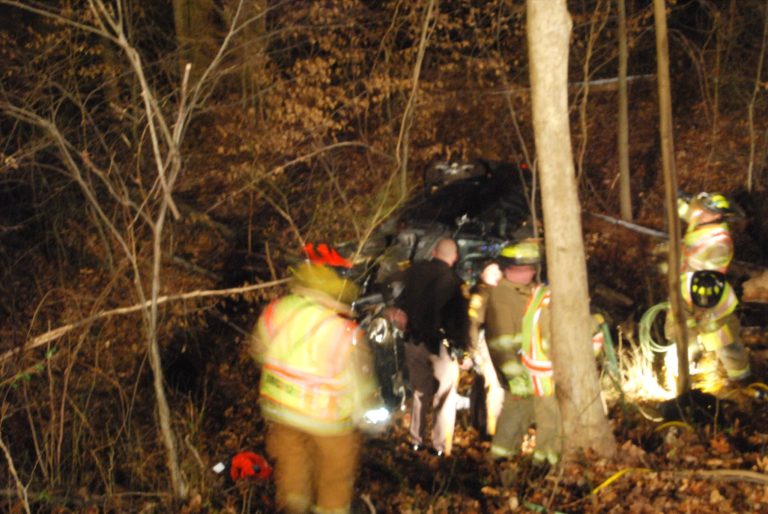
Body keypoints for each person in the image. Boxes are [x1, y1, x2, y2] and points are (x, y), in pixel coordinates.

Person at [250, 245, 379, 514]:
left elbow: (259, 350)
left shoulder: (277, 310)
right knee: (334, 476)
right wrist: (364, 410)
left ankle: (292, 508)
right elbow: (358, 381)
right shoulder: (342, 330)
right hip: (327, 420)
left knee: (291, 469)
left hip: (279, 410)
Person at [397, 237, 470, 457]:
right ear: (455, 257)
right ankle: (440, 446)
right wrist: (463, 351)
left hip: (414, 342)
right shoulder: (456, 284)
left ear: (434, 252)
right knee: (445, 397)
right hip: (441, 347)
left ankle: (416, 440)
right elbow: (460, 322)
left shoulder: (414, 272)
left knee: (420, 392)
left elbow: (400, 299)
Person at [669, 192, 751, 383]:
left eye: (704, 210)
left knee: (723, 340)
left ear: (716, 215)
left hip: (711, 298)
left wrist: (669, 249)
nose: (699, 212)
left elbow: (695, 262)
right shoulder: (702, 221)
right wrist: (675, 199)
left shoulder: (719, 241)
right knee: (681, 332)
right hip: (686, 292)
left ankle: (742, 379)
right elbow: (688, 213)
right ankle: (685, 374)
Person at [468, 261, 505, 439]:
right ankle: (491, 429)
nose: (498, 274)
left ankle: (483, 423)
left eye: (498, 271)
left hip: (496, 343)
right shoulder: (481, 293)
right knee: (495, 387)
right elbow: (474, 323)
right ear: (483, 274)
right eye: (492, 271)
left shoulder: (495, 291)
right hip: (487, 345)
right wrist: (473, 350)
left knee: (487, 385)